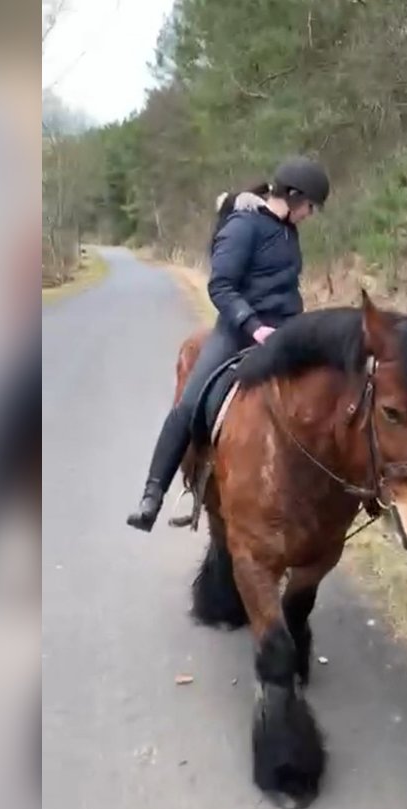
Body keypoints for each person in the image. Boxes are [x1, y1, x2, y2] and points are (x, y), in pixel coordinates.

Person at [126, 156, 331, 532]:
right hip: (238, 331)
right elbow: (220, 286)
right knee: (190, 405)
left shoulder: (288, 232)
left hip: (285, 332)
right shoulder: (242, 227)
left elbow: (283, 288)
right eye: (311, 206)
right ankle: (152, 494)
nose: (311, 214)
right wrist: (253, 326)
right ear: (295, 195)